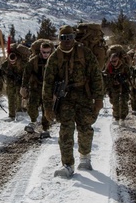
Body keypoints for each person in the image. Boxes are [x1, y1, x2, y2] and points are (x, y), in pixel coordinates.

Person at [42, 25, 106, 178]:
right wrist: (47, 107)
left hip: (84, 95)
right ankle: (67, 164)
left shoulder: (85, 53)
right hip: (65, 99)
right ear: (59, 39)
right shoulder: (55, 57)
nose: (67, 41)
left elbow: (96, 76)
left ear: (74, 38)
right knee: (66, 130)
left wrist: (98, 99)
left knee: (85, 128)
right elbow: (48, 83)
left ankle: (85, 157)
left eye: (70, 37)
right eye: (63, 38)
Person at [22, 39, 53, 139]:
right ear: (40, 51)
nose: (46, 54)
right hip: (35, 88)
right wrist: (23, 86)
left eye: (48, 52)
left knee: (46, 109)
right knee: (31, 106)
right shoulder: (34, 61)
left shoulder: (53, 61)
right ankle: (33, 122)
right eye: (44, 52)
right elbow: (26, 74)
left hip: (48, 89)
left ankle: (45, 129)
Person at [102, 45, 133, 123]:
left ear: (118, 59)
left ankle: (122, 117)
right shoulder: (109, 68)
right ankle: (116, 117)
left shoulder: (124, 66)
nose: (113, 63)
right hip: (113, 86)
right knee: (115, 102)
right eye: (112, 62)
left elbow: (129, 75)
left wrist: (124, 80)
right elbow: (106, 78)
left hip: (124, 85)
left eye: (115, 61)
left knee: (124, 101)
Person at [0, 45, 27, 120]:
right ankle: (11, 115)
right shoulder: (5, 64)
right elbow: (2, 70)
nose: (12, 62)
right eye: (11, 61)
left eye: (14, 61)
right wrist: (7, 75)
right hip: (10, 84)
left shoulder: (21, 64)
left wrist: (21, 80)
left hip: (19, 84)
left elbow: (26, 73)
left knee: (19, 98)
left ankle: (19, 112)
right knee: (11, 99)